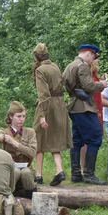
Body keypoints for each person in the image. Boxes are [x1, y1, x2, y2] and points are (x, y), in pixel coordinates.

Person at [62, 44, 107, 185]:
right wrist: (102, 84)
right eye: (93, 55)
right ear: (88, 53)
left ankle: (76, 174)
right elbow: (89, 86)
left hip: (74, 106)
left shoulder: (70, 66)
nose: (93, 59)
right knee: (95, 138)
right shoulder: (82, 66)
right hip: (84, 106)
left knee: (77, 140)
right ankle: (89, 174)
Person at [31, 43, 71, 186]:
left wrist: (42, 115)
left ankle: (39, 175)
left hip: (47, 106)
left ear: (36, 56)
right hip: (59, 105)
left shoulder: (40, 70)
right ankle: (59, 170)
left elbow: (43, 94)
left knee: (38, 139)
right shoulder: (55, 66)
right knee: (54, 139)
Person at [0, 101, 37, 199]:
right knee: (15, 172)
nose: (22, 119)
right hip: (11, 169)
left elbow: (32, 153)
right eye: (19, 116)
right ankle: (7, 199)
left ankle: (33, 201)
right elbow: (0, 137)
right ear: (11, 116)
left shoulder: (30, 132)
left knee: (26, 173)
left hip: (26, 167)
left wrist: (14, 143)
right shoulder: (4, 131)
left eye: (23, 116)